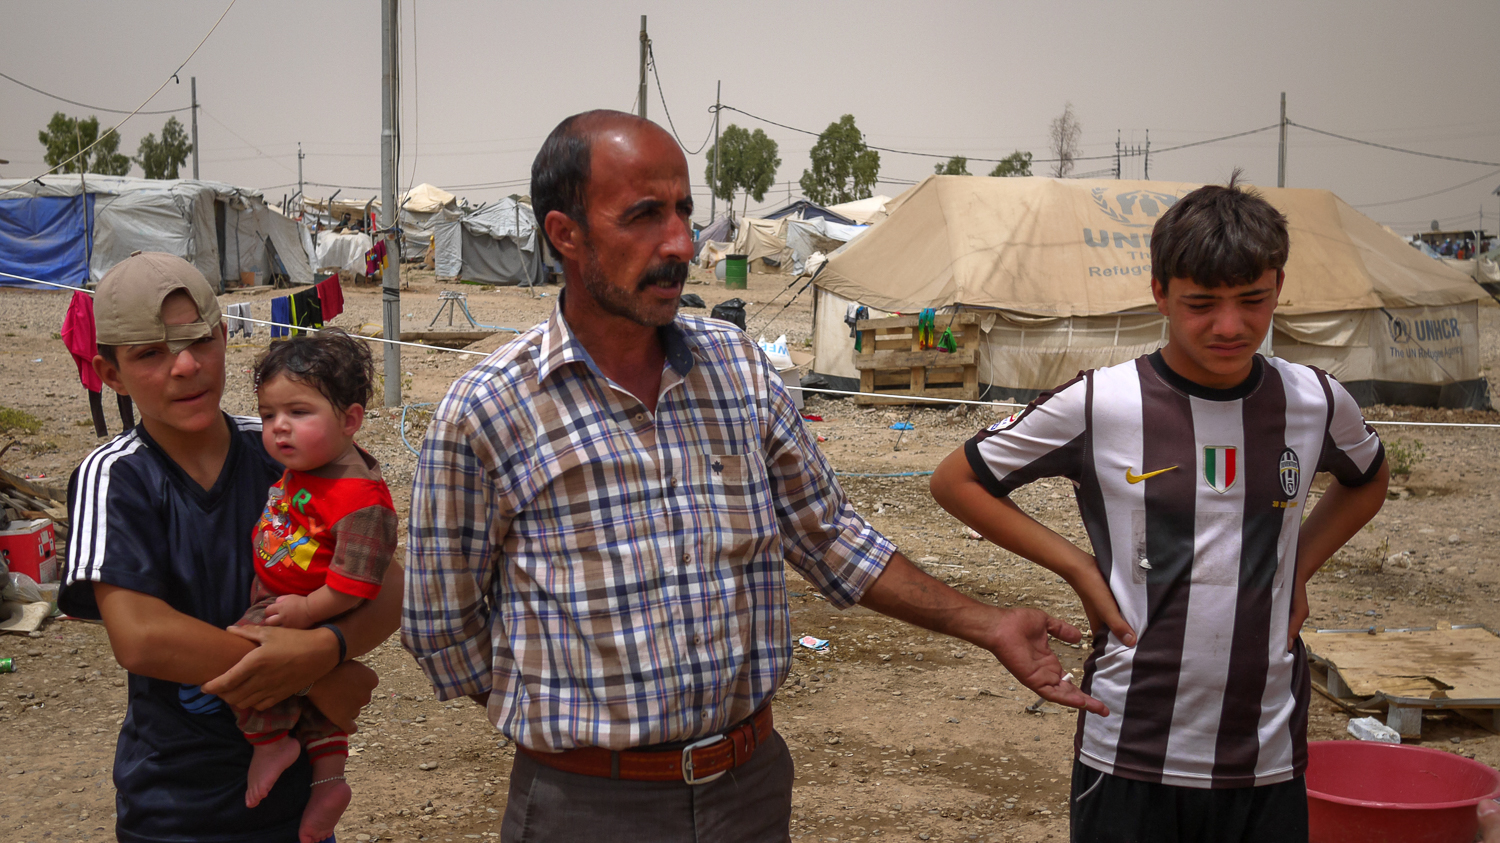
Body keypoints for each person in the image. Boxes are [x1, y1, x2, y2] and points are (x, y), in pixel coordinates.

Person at [401, 110, 1103, 842]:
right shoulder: (489, 407)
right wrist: (569, 730)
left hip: (749, 789)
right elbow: (442, 625)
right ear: (565, 234)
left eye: (683, 212)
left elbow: (828, 536)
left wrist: (988, 623)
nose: (679, 243)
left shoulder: (735, 368)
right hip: (585, 807)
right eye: (643, 216)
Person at [931, 175, 1389, 843]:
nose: (1230, 326)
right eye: (1201, 304)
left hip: (1266, 754)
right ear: (1160, 295)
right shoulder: (1102, 403)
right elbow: (956, 481)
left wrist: (1298, 568)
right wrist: (1081, 570)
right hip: (1130, 750)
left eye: (1252, 300)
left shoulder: (1315, 401)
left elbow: (1368, 480)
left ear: (1278, 288)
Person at [60, 251, 402, 843]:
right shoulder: (116, 475)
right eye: (149, 354)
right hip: (178, 802)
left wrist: (330, 645)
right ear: (109, 374)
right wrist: (314, 677)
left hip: (292, 798)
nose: (186, 366)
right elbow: (141, 636)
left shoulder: (285, 449)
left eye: (200, 340)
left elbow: (386, 580)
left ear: (224, 336)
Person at [234, 330, 398, 843]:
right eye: (267, 416)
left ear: (350, 420)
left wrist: (306, 611)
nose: (279, 428)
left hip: (302, 609)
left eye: (298, 413)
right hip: (289, 598)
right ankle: (328, 781)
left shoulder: (359, 498)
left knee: (240, 650)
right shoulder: (307, 467)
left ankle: (269, 740)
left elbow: (354, 586)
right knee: (317, 709)